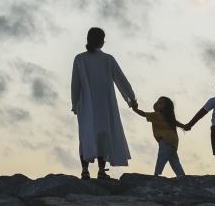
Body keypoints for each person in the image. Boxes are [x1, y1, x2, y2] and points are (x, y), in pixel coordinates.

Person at [70, 26, 136, 180]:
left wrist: (74, 103)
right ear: (101, 42)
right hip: (104, 103)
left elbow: (75, 84)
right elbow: (121, 80)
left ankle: (85, 170)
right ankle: (101, 170)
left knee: (86, 134)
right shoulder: (108, 59)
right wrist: (131, 98)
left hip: (85, 103)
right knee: (103, 135)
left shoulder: (80, 59)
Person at [133, 96, 188, 178]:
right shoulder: (168, 117)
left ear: (165, 107)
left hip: (166, 138)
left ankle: (157, 173)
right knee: (173, 159)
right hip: (173, 139)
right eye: (157, 102)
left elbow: (143, 114)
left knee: (162, 155)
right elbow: (176, 123)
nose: (157, 103)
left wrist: (135, 109)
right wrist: (184, 126)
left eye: (160, 103)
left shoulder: (157, 115)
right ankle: (181, 175)